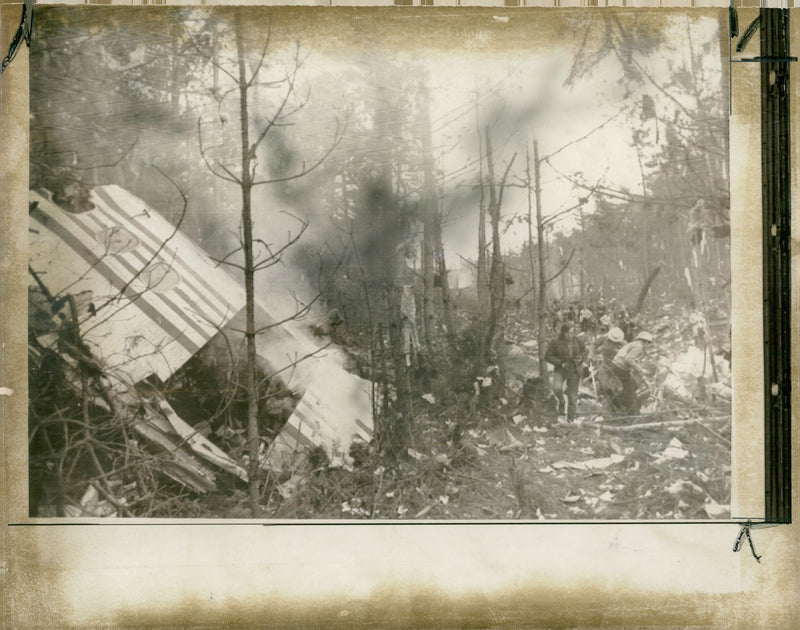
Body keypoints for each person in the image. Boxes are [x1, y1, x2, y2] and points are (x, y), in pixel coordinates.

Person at [545, 322, 586, 421]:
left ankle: (570, 420)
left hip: (574, 370)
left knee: (573, 398)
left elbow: (585, 352)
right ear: (563, 333)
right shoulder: (555, 342)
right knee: (557, 389)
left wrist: (581, 359)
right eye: (568, 333)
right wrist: (560, 363)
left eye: (572, 333)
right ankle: (561, 401)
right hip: (561, 369)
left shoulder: (578, 341)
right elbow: (548, 356)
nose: (570, 335)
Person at [611, 331, 654, 414]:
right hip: (620, 368)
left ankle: (618, 402)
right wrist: (641, 370)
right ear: (645, 342)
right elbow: (628, 359)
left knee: (634, 385)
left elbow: (632, 361)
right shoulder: (639, 347)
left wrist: (641, 374)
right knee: (631, 393)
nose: (648, 346)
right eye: (648, 344)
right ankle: (633, 414)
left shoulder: (634, 344)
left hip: (618, 366)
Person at [592, 327, 626, 402]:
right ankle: (607, 400)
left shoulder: (623, 343)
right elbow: (594, 345)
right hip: (605, 365)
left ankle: (617, 404)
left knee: (619, 388)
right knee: (604, 385)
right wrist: (592, 355)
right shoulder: (603, 338)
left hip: (617, 367)